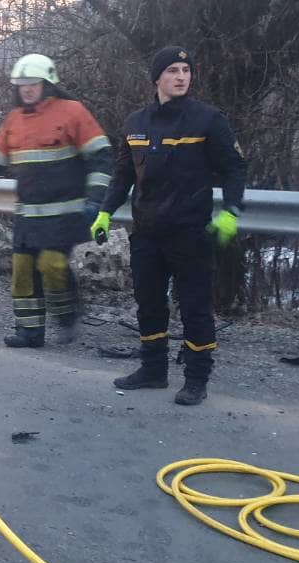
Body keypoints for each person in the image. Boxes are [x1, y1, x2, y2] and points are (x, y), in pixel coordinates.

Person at [95, 46, 247, 406]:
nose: (181, 77)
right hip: (147, 232)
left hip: (190, 233)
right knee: (148, 304)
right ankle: (153, 370)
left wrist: (231, 210)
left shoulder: (208, 120)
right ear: (157, 78)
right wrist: (104, 212)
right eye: (173, 70)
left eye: (186, 70)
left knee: (195, 307)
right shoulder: (135, 123)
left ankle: (196, 379)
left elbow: (234, 167)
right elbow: (123, 174)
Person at [0, 53, 112, 347]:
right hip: (29, 216)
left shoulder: (72, 112)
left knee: (52, 265)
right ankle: (30, 332)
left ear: (47, 84)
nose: (27, 89)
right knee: (23, 271)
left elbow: (102, 156)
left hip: (64, 213)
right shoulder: (14, 120)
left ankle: (67, 316)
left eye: (33, 83)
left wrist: (95, 200)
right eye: (22, 84)